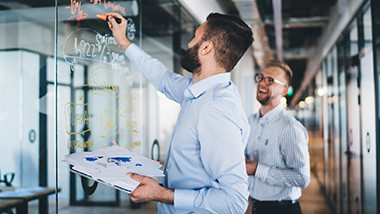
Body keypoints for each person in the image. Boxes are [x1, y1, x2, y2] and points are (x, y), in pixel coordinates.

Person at [107, 12, 254, 213]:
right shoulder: (197, 91)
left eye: (195, 36)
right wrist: (124, 42)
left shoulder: (215, 109)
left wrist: (160, 194)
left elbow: (234, 202)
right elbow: (163, 78)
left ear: (206, 47)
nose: (189, 43)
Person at [245, 59, 310, 214]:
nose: (262, 83)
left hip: (282, 209)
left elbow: (302, 178)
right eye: (260, 78)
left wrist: (257, 170)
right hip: (255, 206)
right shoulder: (249, 122)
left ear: (284, 90)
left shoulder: (290, 128)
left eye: (270, 81)